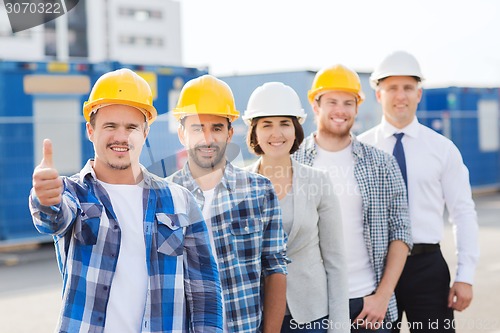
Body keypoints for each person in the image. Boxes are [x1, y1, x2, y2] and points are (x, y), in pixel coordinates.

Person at [29, 68, 223, 333]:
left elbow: (205, 293)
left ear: (145, 133)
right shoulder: (72, 193)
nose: (121, 137)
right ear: (90, 130)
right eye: (110, 126)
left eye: (131, 127)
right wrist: (45, 198)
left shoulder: (180, 201)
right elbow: (52, 217)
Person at [358, 50, 480, 333]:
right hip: (373, 268)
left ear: (419, 94)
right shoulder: (360, 150)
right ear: (379, 95)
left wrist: (465, 276)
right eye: (392, 88)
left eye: (408, 88)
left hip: (426, 269)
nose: (400, 95)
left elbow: (463, 213)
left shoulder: (442, 149)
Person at [293, 64, 412, 332]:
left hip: (367, 305)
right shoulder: (293, 162)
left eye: (349, 102)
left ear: (357, 108)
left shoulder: (382, 163)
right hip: (311, 308)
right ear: (315, 105)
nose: (341, 110)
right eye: (332, 101)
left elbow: (402, 232)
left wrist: (382, 296)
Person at [166, 75, 288, 333]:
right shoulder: (164, 196)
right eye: (198, 128)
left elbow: (275, 266)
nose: (208, 138)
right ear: (181, 133)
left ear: (230, 133)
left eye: (217, 128)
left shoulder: (259, 191)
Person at [243, 82, 350, 333]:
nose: (276, 133)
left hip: (310, 317)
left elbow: (335, 262)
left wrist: (339, 327)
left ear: (296, 129)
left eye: (284, 123)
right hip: (255, 316)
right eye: (266, 124)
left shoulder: (318, 182)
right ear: (255, 132)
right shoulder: (239, 185)